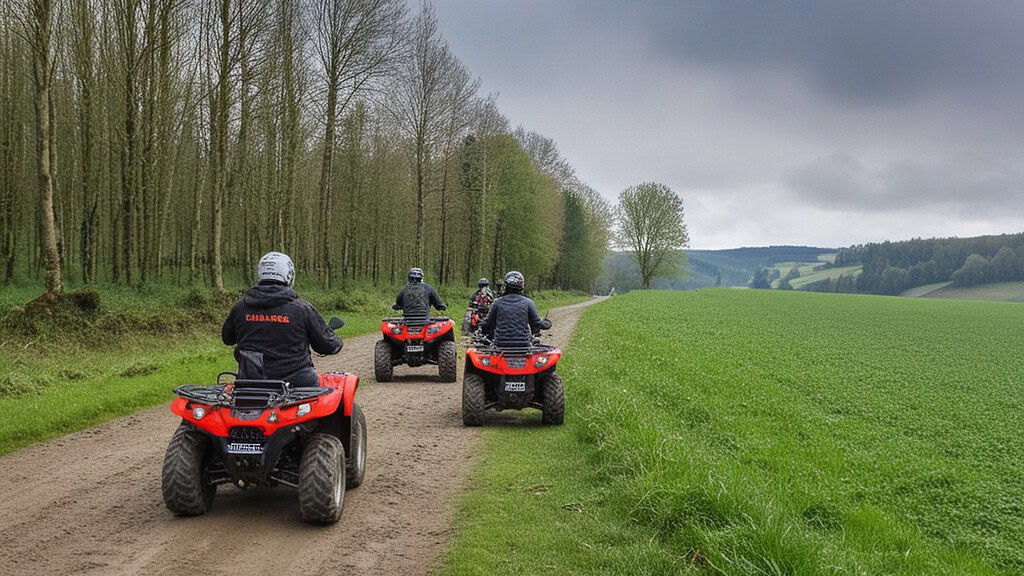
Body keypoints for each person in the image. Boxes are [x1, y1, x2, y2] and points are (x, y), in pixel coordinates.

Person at [222, 252, 341, 387]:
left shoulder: (241, 307)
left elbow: (227, 338)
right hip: (298, 382)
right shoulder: (302, 309)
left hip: (250, 382)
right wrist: (335, 340)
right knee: (339, 392)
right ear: (289, 274)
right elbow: (327, 346)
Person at [479, 270, 551, 348]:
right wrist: (547, 323)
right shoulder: (529, 303)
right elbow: (537, 323)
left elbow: (487, 324)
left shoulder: (497, 303)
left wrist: (483, 331)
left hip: (500, 345)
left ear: (505, 285)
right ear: (522, 285)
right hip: (523, 345)